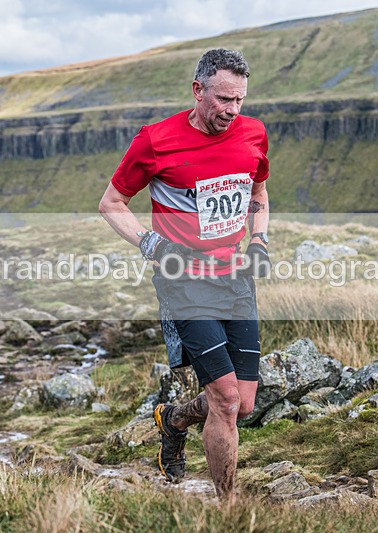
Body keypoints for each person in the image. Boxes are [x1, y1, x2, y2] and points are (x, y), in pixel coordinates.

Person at [99, 48, 271, 503]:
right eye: (223, 100)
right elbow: (111, 204)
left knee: (246, 402)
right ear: (198, 90)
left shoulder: (253, 134)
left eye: (239, 100)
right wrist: (150, 243)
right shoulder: (155, 141)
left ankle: (175, 418)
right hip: (183, 281)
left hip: (235, 278)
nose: (232, 112)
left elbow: (259, 190)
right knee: (226, 401)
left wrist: (259, 241)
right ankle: (228, 509)